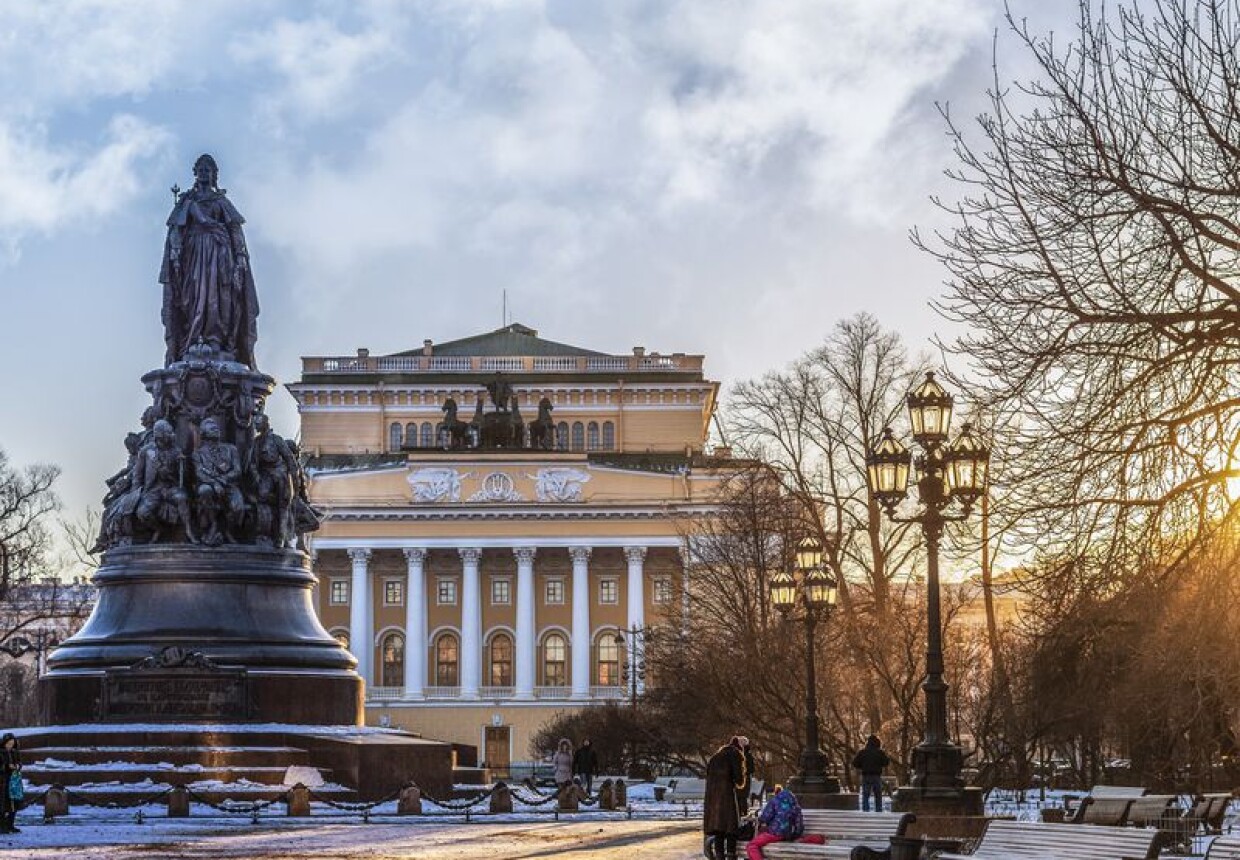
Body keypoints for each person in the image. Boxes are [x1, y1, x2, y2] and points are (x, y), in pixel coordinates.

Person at [159, 153, 260, 368]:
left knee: (220, 298)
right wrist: (176, 251)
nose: (205, 173)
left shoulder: (220, 201)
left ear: (214, 174)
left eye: (209, 170)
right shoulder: (187, 201)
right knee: (192, 295)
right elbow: (176, 229)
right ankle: (191, 340)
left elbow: (235, 230)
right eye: (201, 169)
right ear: (196, 173)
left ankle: (216, 339)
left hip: (219, 253)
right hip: (194, 254)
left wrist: (241, 256)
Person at [746, 785, 827, 860]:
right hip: (787, 835)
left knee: (752, 845)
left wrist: (764, 823)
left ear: (777, 793)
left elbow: (765, 818)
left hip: (774, 834)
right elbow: (799, 826)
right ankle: (817, 838)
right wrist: (793, 835)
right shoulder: (795, 804)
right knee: (797, 839)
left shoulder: (774, 801)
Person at [703, 736, 746, 860]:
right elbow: (739, 780)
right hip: (726, 796)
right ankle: (731, 856)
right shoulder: (735, 755)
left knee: (719, 830)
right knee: (731, 829)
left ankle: (720, 857)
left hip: (712, 799)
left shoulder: (715, 757)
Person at [852, 735, 890, 812]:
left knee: (865, 795)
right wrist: (880, 764)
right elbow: (886, 762)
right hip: (876, 775)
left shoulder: (862, 752)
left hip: (866, 775)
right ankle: (878, 811)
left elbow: (854, 763)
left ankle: (866, 811)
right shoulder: (880, 752)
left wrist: (862, 766)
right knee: (878, 795)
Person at [0, 733, 20, 833]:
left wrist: (17, 766)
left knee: (13, 803)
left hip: (14, 782)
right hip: (2, 782)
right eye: (8, 744)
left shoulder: (14, 752)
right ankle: (2, 826)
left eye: (12, 744)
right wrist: (7, 767)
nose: (10, 746)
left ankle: (10, 825)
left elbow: (19, 763)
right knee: (3, 805)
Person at [735, 736, 755, 814]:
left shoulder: (745, 755)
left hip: (743, 778)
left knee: (741, 796)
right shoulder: (746, 755)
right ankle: (742, 811)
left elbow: (751, 769)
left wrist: (743, 772)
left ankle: (741, 811)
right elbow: (752, 769)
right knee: (742, 796)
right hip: (743, 778)